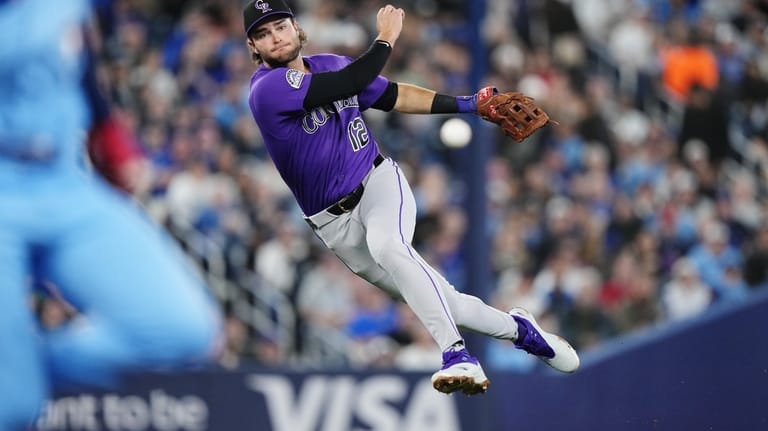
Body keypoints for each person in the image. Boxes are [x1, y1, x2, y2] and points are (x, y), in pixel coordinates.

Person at [242, 0, 579, 395]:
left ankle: (456, 355)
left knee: (388, 246)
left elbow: (394, 96)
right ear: (254, 47)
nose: (275, 37)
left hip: (378, 183)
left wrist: (468, 104)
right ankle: (522, 331)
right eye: (263, 34)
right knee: (446, 303)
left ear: (296, 28)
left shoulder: (331, 64)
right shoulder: (266, 90)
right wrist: (386, 38)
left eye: (279, 26)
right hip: (334, 226)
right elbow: (349, 85)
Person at [0, 1, 222, 429]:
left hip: (62, 179)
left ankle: (21, 373)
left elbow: (77, 55)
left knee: (183, 330)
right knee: (13, 409)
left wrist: (109, 140)